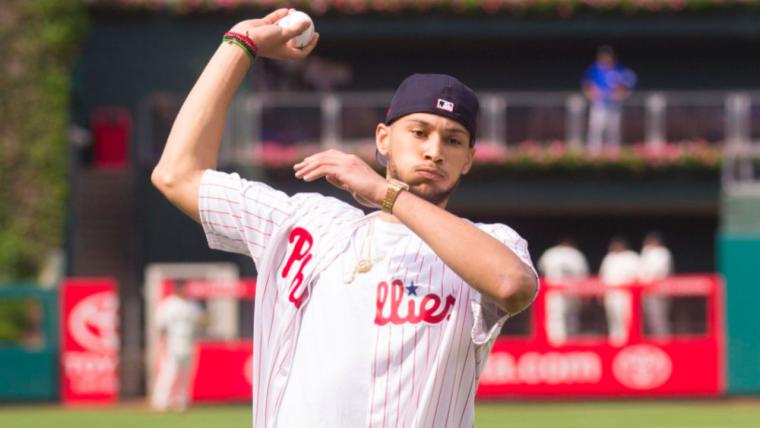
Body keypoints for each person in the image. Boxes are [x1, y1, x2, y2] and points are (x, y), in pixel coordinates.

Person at [151, 9, 538, 427]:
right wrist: (239, 45)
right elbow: (176, 175)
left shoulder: (491, 242)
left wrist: (383, 193)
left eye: (454, 139)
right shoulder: (309, 223)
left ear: (467, 161)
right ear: (383, 140)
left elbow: (511, 284)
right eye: (419, 132)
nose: (434, 150)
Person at [151, 281, 204, 412]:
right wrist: (162, 343)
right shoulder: (168, 304)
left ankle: (182, 401)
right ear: (177, 289)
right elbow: (161, 325)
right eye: (184, 288)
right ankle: (161, 402)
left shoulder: (192, 305)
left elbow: (202, 322)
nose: (186, 291)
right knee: (169, 372)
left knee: (186, 374)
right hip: (173, 341)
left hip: (189, 341)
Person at [582, 45, 637, 154]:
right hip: (599, 104)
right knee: (596, 128)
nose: (605, 58)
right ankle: (593, 153)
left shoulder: (619, 70)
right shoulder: (594, 69)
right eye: (603, 56)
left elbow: (630, 82)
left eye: (608, 56)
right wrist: (591, 94)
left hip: (614, 105)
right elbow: (586, 85)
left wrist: (621, 93)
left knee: (613, 130)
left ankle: (612, 153)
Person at [537, 238, 589, 345]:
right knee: (570, 318)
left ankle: (555, 344)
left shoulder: (551, 253)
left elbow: (541, 270)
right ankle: (569, 343)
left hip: (553, 291)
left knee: (555, 318)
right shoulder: (576, 254)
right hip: (570, 292)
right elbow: (583, 276)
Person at [598, 236, 640, 346]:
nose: (615, 247)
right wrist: (601, 293)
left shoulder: (632, 257)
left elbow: (639, 277)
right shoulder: (609, 258)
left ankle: (630, 342)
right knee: (613, 319)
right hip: (611, 294)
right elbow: (603, 277)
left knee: (627, 320)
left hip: (627, 295)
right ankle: (615, 343)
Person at [639, 231, 674, 337]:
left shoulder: (663, 252)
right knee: (649, 320)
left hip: (660, 291)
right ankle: (655, 340)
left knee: (661, 319)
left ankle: (664, 341)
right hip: (647, 292)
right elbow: (642, 271)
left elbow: (660, 272)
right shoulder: (646, 252)